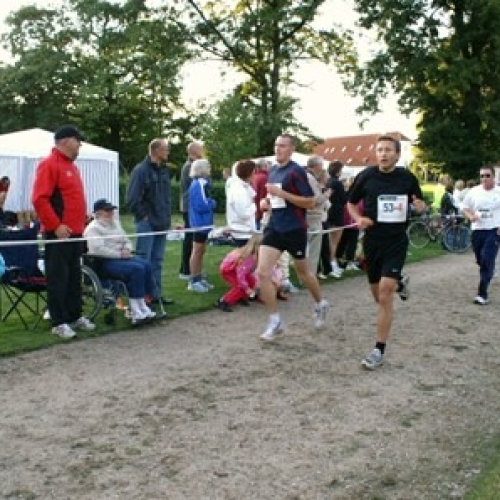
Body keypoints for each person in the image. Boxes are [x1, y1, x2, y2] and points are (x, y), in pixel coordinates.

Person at [347, 134, 426, 369]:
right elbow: (350, 203)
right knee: (378, 295)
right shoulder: (366, 176)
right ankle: (399, 283)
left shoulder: (407, 178)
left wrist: (420, 207)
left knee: (384, 293)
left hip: (396, 241)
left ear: (397, 154)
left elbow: (420, 205)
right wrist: (358, 218)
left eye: (388, 150)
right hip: (372, 242)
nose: (383, 154)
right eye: (380, 150)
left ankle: (378, 350)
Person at [256, 133, 329, 340]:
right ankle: (275, 320)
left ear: (291, 149)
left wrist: (282, 195)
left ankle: (320, 303)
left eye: (282, 145)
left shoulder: (296, 171)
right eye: (276, 145)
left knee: (304, 275)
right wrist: (266, 203)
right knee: (262, 272)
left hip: (294, 229)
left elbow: (310, 202)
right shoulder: (273, 170)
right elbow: (272, 197)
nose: (277, 149)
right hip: (274, 227)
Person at [31, 125, 96, 339]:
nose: (80, 145)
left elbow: (70, 199)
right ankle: (58, 321)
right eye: (77, 140)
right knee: (58, 278)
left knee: (74, 277)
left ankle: (74, 315)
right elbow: (39, 199)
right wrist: (55, 225)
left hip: (75, 232)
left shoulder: (72, 167)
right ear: (65, 141)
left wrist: (82, 217)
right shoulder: (49, 164)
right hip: (59, 234)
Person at [83, 198, 156, 325]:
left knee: (146, 265)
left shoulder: (116, 224)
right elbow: (97, 250)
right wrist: (119, 254)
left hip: (121, 257)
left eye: (111, 210)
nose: (111, 213)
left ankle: (143, 304)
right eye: (107, 210)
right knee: (136, 269)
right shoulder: (93, 229)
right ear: (98, 213)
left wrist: (127, 249)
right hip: (104, 262)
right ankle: (135, 311)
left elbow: (126, 240)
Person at [126, 138, 172, 307]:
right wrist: (144, 216)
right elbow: (132, 198)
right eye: (165, 149)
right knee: (143, 260)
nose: (168, 152)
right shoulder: (141, 171)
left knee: (157, 260)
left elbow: (166, 198)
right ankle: (142, 297)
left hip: (161, 222)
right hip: (147, 223)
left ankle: (155, 294)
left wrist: (167, 218)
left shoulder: (164, 171)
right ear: (155, 151)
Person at [461, 166, 500, 305]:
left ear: (493, 177)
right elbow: (465, 207)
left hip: (493, 231)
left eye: (487, 176)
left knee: (487, 258)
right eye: (482, 176)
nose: (484, 178)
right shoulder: (474, 192)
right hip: (477, 230)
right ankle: (490, 268)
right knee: (481, 260)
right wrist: (471, 216)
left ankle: (482, 294)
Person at [188, 159, 216, 292]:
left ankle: (198, 277)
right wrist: (212, 203)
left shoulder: (203, 184)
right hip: (199, 223)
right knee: (197, 250)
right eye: (208, 166)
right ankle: (194, 280)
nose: (210, 169)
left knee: (201, 250)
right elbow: (200, 205)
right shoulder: (197, 184)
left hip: (203, 222)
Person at [216, 234, 261, 312]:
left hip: (236, 270)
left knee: (251, 281)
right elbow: (241, 276)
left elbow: (248, 271)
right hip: (228, 271)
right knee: (240, 286)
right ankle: (223, 301)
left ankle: (240, 297)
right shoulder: (246, 257)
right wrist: (247, 288)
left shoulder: (253, 255)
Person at [179, 141, 204, 280]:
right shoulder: (190, 166)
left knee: (193, 239)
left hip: (191, 207)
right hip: (190, 208)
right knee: (190, 239)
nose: (203, 151)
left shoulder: (192, 165)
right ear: (194, 151)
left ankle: (192, 269)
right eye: (201, 149)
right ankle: (186, 270)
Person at [305, 156, 331, 276]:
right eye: (321, 165)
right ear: (317, 166)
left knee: (308, 250)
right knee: (313, 251)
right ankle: (311, 275)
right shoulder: (310, 179)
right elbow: (316, 200)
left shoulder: (306, 176)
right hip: (313, 216)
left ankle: (309, 274)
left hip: (309, 216)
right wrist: (327, 194)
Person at [226, 159, 256, 246]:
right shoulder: (239, 191)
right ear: (249, 174)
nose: (255, 175)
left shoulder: (242, 187)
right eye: (254, 173)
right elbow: (244, 214)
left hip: (243, 231)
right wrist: (254, 206)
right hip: (242, 232)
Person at [326, 160, 348, 278]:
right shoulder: (337, 183)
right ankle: (332, 263)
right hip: (337, 213)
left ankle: (332, 262)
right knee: (334, 241)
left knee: (331, 239)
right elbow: (344, 199)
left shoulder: (328, 181)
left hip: (329, 212)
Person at [252, 158, 270, 230]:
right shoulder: (264, 178)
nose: (269, 167)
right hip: (261, 212)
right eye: (268, 165)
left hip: (254, 211)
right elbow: (263, 196)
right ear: (264, 166)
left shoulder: (254, 177)